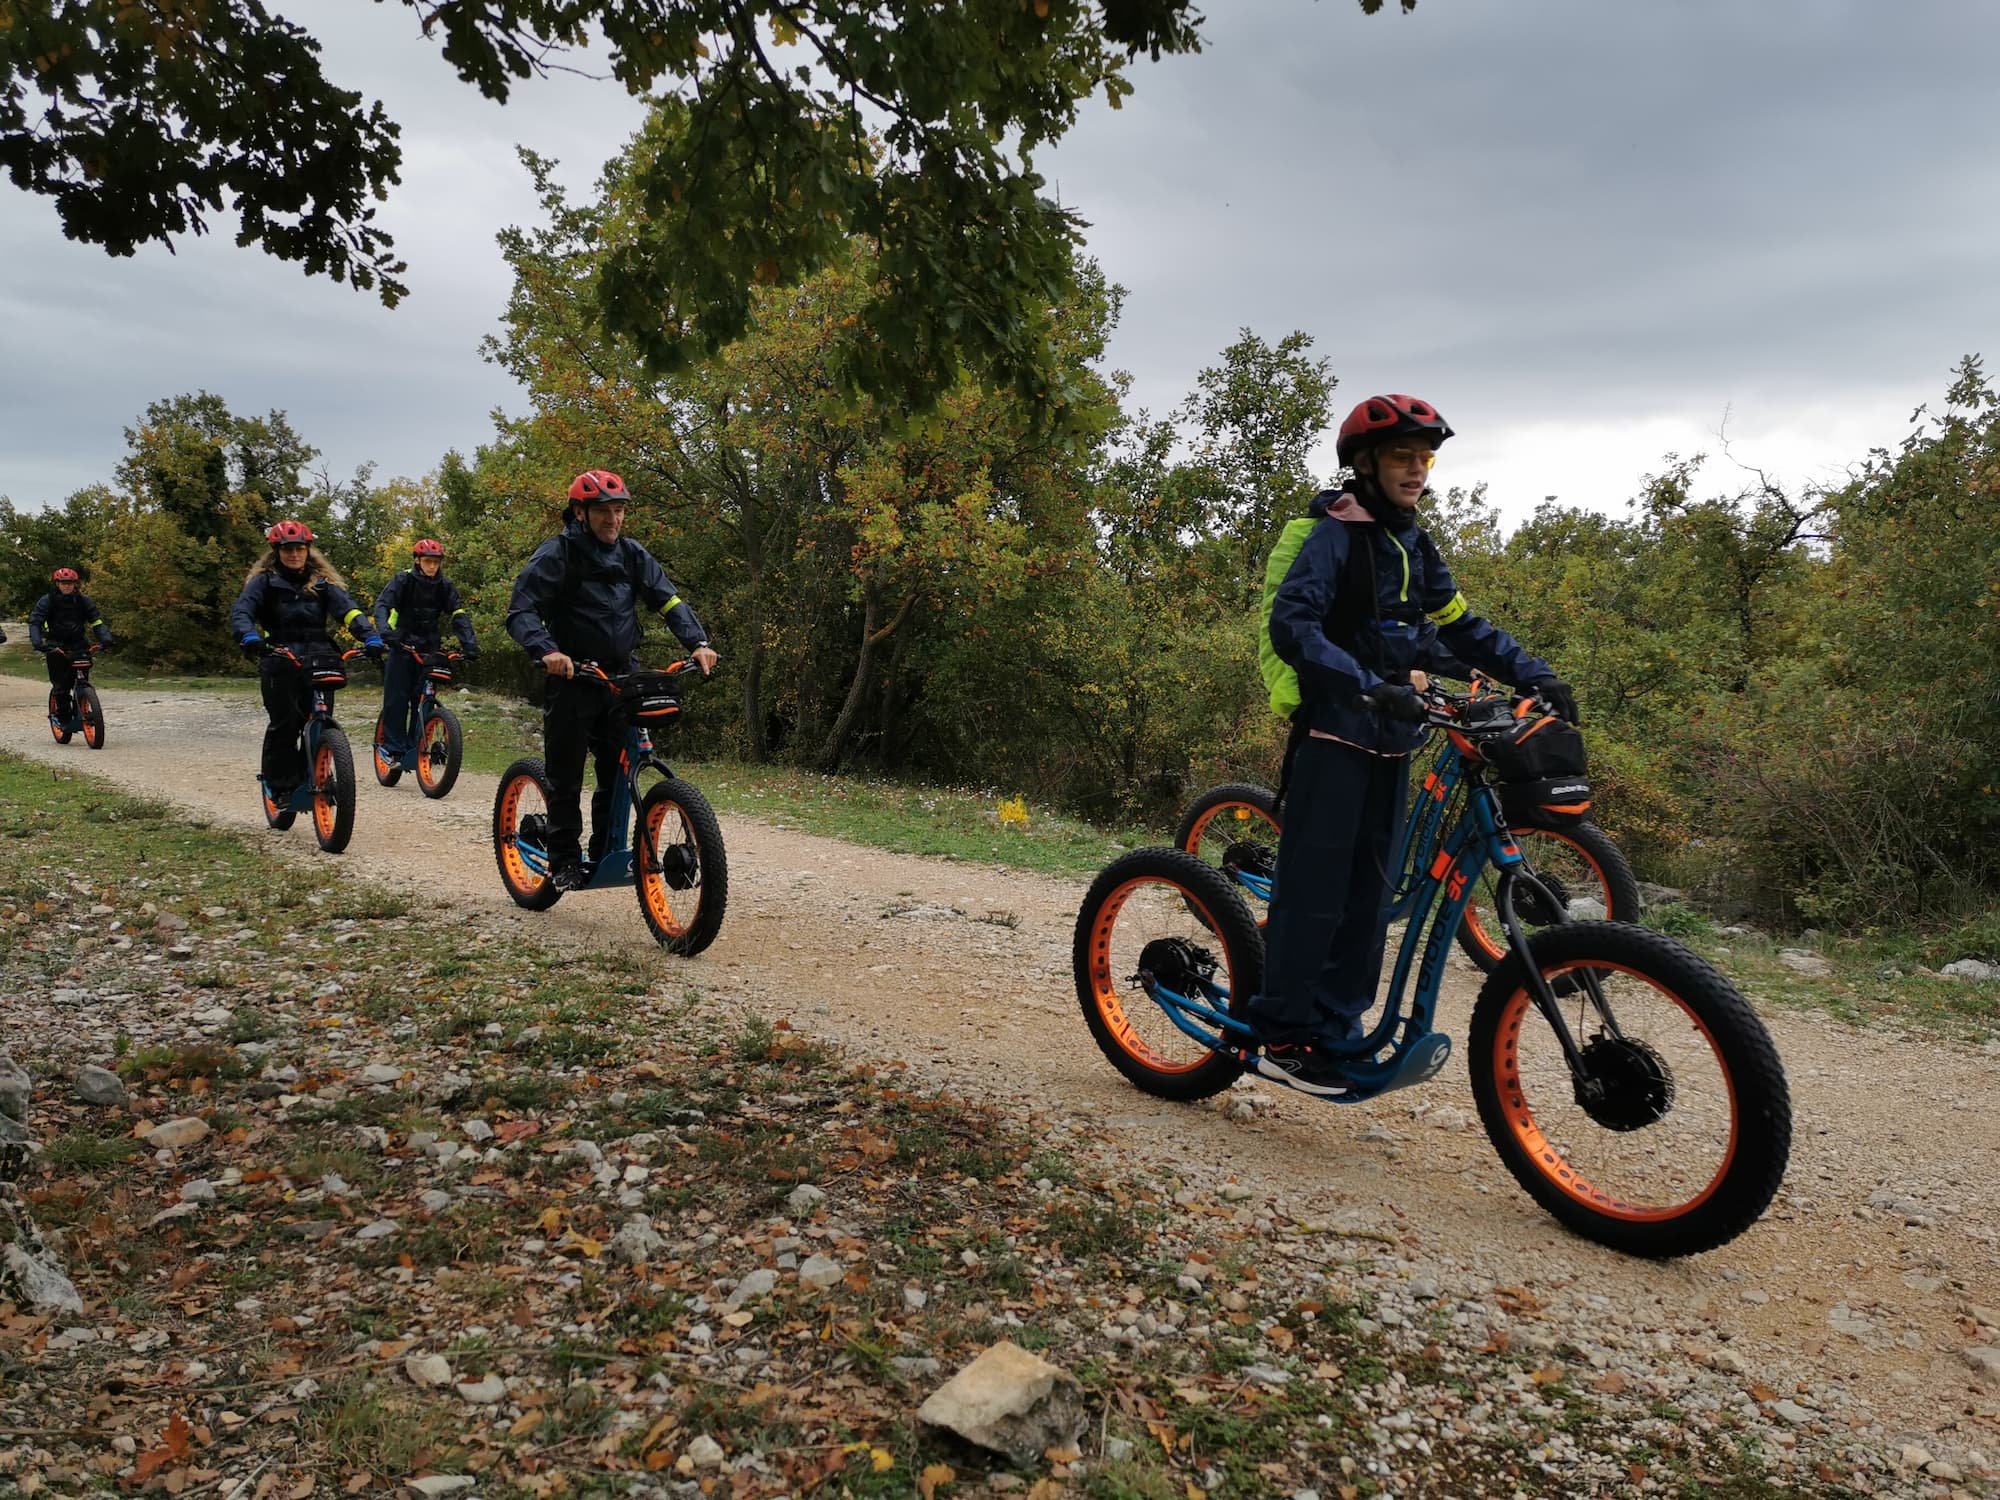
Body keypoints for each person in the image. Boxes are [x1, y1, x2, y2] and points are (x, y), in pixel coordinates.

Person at [1247, 394, 1576, 1095]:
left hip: (1392, 742)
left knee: (1371, 896)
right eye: (1404, 455)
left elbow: (1458, 627)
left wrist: (1532, 672)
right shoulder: (1332, 537)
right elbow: (1294, 628)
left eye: (1426, 457)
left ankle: (1333, 1028)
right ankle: (1281, 1033)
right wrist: (1367, 685)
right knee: (1316, 895)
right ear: (1364, 463)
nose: (1418, 469)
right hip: (1335, 736)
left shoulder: (1412, 544)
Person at [506, 470, 718, 891]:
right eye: (604, 511)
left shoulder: (632, 554)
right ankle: (563, 860)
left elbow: (667, 598)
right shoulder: (556, 555)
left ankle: (604, 851)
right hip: (573, 675)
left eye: (619, 510)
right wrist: (548, 651)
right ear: (581, 513)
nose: (613, 519)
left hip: (620, 674)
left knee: (616, 770)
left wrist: (697, 641)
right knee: (565, 775)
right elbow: (521, 611)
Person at [229, 520, 383, 798]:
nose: (294, 554)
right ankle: (280, 787)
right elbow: (242, 612)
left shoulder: (322, 584)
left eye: (299, 548)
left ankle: (316, 771)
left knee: (321, 721)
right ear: (277, 551)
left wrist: (369, 636)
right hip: (279, 658)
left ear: (308, 550)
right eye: (287, 549)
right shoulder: (263, 583)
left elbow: (348, 611)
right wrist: (249, 637)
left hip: (319, 659)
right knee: (285, 725)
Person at [372, 537, 480, 778]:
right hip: (402, 643)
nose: (432, 567)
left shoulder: (445, 585)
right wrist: (385, 633)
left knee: (424, 700)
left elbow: (458, 614)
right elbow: (383, 605)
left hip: (430, 646)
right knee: (397, 698)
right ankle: (392, 749)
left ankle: (416, 747)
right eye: (428, 562)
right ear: (418, 561)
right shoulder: (403, 580)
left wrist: (469, 645)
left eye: (436, 562)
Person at [27, 567, 114, 722]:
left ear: (75, 584)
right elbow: (35, 622)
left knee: (82, 677)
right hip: (56, 646)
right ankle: (62, 715)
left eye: (70, 583)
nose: (67, 585)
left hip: (79, 644)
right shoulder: (47, 600)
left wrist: (105, 639)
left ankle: (85, 703)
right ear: (57, 583)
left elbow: (97, 622)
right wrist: (38, 642)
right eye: (63, 582)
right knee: (61, 685)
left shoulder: (84, 601)